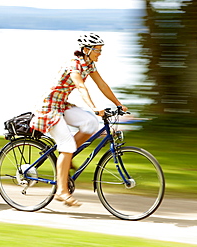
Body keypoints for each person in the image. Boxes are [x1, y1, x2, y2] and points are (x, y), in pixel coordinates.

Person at [30, 33, 128, 207]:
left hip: (62, 105)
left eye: (100, 50)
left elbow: (102, 85)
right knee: (66, 145)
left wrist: (118, 104)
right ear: (86, 50)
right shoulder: (73, 65)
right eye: (98, 50)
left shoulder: (89, 65)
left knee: (90, 123)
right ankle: (61, 191)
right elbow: (81, 87)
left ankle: (67, 157)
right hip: (50, 108)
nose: (100, 53)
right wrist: (95, 107)